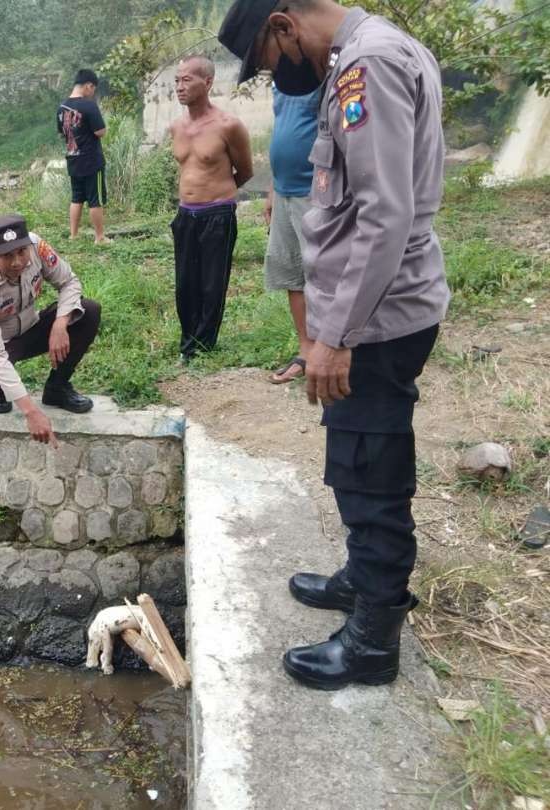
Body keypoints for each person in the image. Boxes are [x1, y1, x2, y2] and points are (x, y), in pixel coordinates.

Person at [220, 0, 450, 690]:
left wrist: (335, 335)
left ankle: (374, 639)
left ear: (284, 26)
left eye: (268, 62)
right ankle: (361, 578)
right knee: (357, 453)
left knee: (370, 469)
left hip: (375, 318)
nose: (277, 76)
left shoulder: (366, 66)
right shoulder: (372, 50)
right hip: (373, 308)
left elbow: (385, 213)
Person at [0, 213, 101, 446]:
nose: (17, 261)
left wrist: (60, 323)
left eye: (21, 252)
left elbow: (69, 282)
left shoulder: (37, 246)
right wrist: (31, 412)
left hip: (30, 327)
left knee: (88, 311)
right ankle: (0, 393)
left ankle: (57, 388)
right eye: (6, 256)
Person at [168, 56, 253, 362]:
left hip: (217, 213)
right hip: (185, 213)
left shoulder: (228, 126)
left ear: (208, 82)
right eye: (177, 80)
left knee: (212, 282)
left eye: (187, 80)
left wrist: (219, 197)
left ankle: (202, 346)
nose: (180, 86)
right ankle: (187, 338)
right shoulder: (176, 126)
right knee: (185, 283)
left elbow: (245, 171)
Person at [264, 83, 318, 384]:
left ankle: (332, 348)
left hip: (315, 193)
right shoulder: (283, 83)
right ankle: (306, 351)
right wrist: (272, 190)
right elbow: (281, 132)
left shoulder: (326, 73)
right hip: (284, 191)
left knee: (322, 275)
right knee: (291, 274)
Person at [57, 69, 109, 244]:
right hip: (92, 161)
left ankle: (73, 235)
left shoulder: (61, 108)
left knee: (77, 198)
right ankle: (100, 237)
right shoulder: (89, 105)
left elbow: (62, 133)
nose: (92, 92)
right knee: (95, 200)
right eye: (93, 89)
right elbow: (100, 132)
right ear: (88, 85)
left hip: (73, 159)